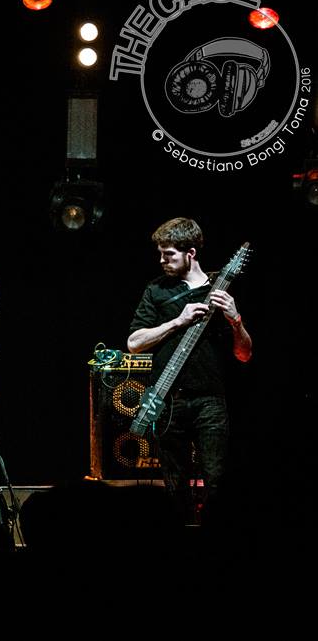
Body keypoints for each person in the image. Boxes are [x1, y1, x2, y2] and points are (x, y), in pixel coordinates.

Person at [126, 218, 252, 523]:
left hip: (210, 401)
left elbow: (244, 354)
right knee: (174, 486)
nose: (162, 260)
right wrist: (177, 321)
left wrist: (235, 320)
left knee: (217, 481)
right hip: (168, 400)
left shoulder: (221, 291)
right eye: (160, 254)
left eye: (169, 254)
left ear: (190, 253)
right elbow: (134, 343)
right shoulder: (156, 290)